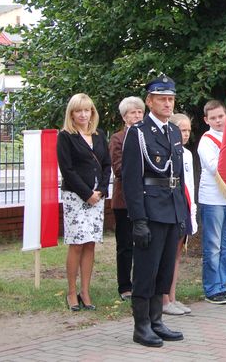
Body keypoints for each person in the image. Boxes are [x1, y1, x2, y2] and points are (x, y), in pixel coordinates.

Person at [121, 75, 187, 347]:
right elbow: (132, 180)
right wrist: (138, 219)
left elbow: (178, 176)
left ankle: (157, 320)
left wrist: (182, 213)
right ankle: (142, 326)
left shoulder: (173, 131)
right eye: (162, 99)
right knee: (146, 270)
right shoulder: (138, 133)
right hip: (150, 209)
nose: (167, 103)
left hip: (171, 208)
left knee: (164, 269)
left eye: (171, 99)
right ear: (149, 101)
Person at [56, 93, 111, 312]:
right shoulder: (66, 136)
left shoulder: (99, 135)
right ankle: (71, 291)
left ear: (92, 113)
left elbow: (107, 165)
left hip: (97, 197)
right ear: (72, 113)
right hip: (76, 197)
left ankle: (85, 291)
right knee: (77, 243)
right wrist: (86, 193)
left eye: (87, 110)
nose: (83, 114)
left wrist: (101, 190)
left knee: (90, 244)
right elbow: (67, 169)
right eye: (78, 110)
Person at [196, 100, 226, 304]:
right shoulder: (206, 140)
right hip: (213, 198)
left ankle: (223, 285)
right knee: (213, 246)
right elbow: (215, 167)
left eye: (221, 116)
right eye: (213, 118)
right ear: (206, 120)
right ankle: (212, 288)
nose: (218, 121)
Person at [109, 96, 145, 301]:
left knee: (144, 243)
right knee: (125, 245)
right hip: (124, 200)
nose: (137, 115)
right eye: (133, 112)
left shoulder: (147, 136)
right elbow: (119, 168)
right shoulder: (118, 138)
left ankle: (141, 282)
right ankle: (125, 286)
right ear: (124, 117)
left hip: (146, 199)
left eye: (140, 112)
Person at [162, 113, 198, 315]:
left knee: (176, 255)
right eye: (181, 130)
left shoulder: (187, 154)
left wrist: (191, 210)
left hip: (184, 206)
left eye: (187, 130)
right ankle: (164, 298)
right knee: (167, 255)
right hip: (170, 207)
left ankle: (173, 296)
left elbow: (190, 185)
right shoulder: (168, 151)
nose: (185, 134)